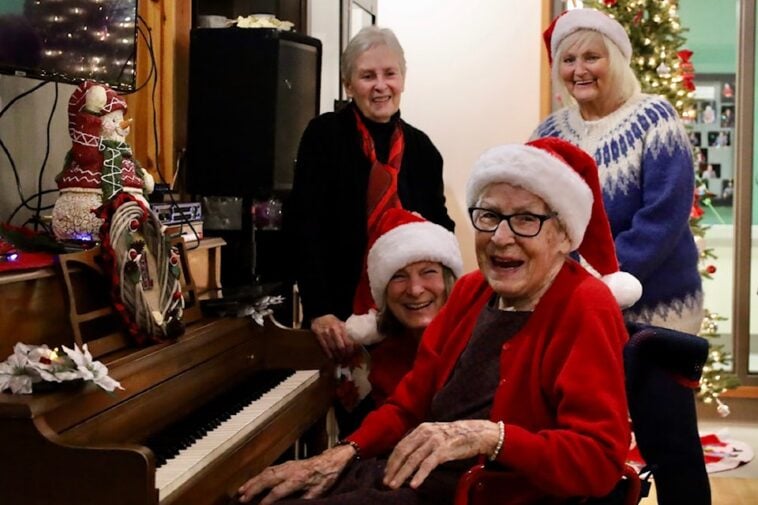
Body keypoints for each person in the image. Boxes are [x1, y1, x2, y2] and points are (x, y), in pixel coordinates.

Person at [237, 138, 638, 505]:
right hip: (407, 476)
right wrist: (341, 454)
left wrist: (488, 436)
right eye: (489, 216)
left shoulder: (585, 305)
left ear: (565, 235)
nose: (500, 237)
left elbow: (599, 464)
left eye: (526, 220)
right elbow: (409, 404)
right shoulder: (470, 292)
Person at [284, 26, 454, 361]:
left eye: (390, 73)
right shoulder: (323, 136)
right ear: (348, 84)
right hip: (337, 320)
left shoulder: (422, 149)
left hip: (408, 317)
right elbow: (304, 228)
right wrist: (319, 310)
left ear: (402, 79)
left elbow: (440, 231)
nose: (380, 86)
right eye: (367, 76)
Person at [533, 8, 703, 334]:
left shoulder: (655, 118)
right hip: (575, 305)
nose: (579, 70)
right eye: (568, 60)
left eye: (591, 57)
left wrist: (602, 276)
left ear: (614, 61)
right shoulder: (547, 133)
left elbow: (663, 215)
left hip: (659, 310)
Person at [335, 208, 463, 435]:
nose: (414, 290)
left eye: (428, 272)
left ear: (448, 281)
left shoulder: (476, 344)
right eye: (398, 276)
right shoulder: (372, 366)